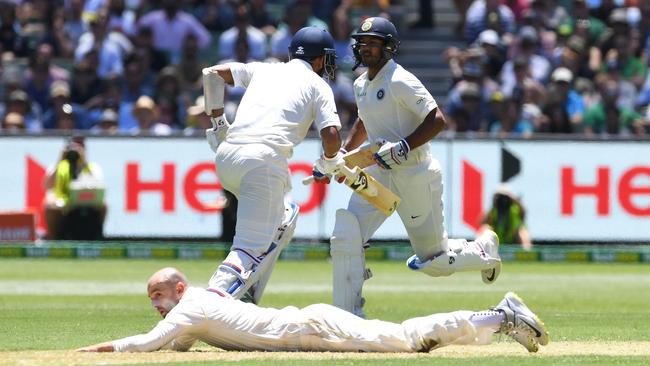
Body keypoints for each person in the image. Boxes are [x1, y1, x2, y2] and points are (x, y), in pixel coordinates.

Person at [326, 17, 501, 318]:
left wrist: (403, 146)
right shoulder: (359, 84)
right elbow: (365, 120)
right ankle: (349, 315)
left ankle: (484, 251)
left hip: (415, 174)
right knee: (347, 234)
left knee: (433, 261)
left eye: (373, 43)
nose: (365, 48)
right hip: (379, 174)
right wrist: (344, 152)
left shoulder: (400, 80)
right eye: (362, 43)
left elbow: (437, 120)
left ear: (388, 47)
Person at [76, 267, 549, 353]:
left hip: (311, 326)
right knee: (402, 340)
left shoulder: (191, 307)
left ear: (177, 290)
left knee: (406, 340)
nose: (156, 307)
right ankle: (497, 317)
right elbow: (175, 344)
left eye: (157, 297)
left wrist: (96, 348)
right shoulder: (194, 308)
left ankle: (500, 314)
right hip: (308, 324)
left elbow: (149, 344)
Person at [201, 26, 344, 305]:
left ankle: (247, 293)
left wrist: (219, 123)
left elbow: (212, 74)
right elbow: (331, 135)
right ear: (318, 60)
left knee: (285, 217)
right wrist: (329, 163)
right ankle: (209, 306)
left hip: (227, 156)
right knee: (248, 248)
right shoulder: (318, 85)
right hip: (262, 162)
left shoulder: (266, 69)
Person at [43, 136, 106, 240]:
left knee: (104, 205)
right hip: (63, 199)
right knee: (49, 204)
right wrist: (60, 160)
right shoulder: (59, 166)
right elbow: (47, 186)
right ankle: (53, 238)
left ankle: (97, 236)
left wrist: (84, 162)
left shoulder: (92, 166)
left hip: (84, 199)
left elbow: (98, 185)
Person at [479, 185, 532, 251]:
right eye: (501, 197)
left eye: (506, 197)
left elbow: (523, 214)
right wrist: (493, 204)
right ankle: (479, 252)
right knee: (484, 228)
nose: (503, 200)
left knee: (522, 231)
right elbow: (481, 222)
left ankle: (527, 253)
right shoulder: (494, 210)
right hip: (497, 239)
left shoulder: (514, 209)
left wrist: (516, 201)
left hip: (512, 238)